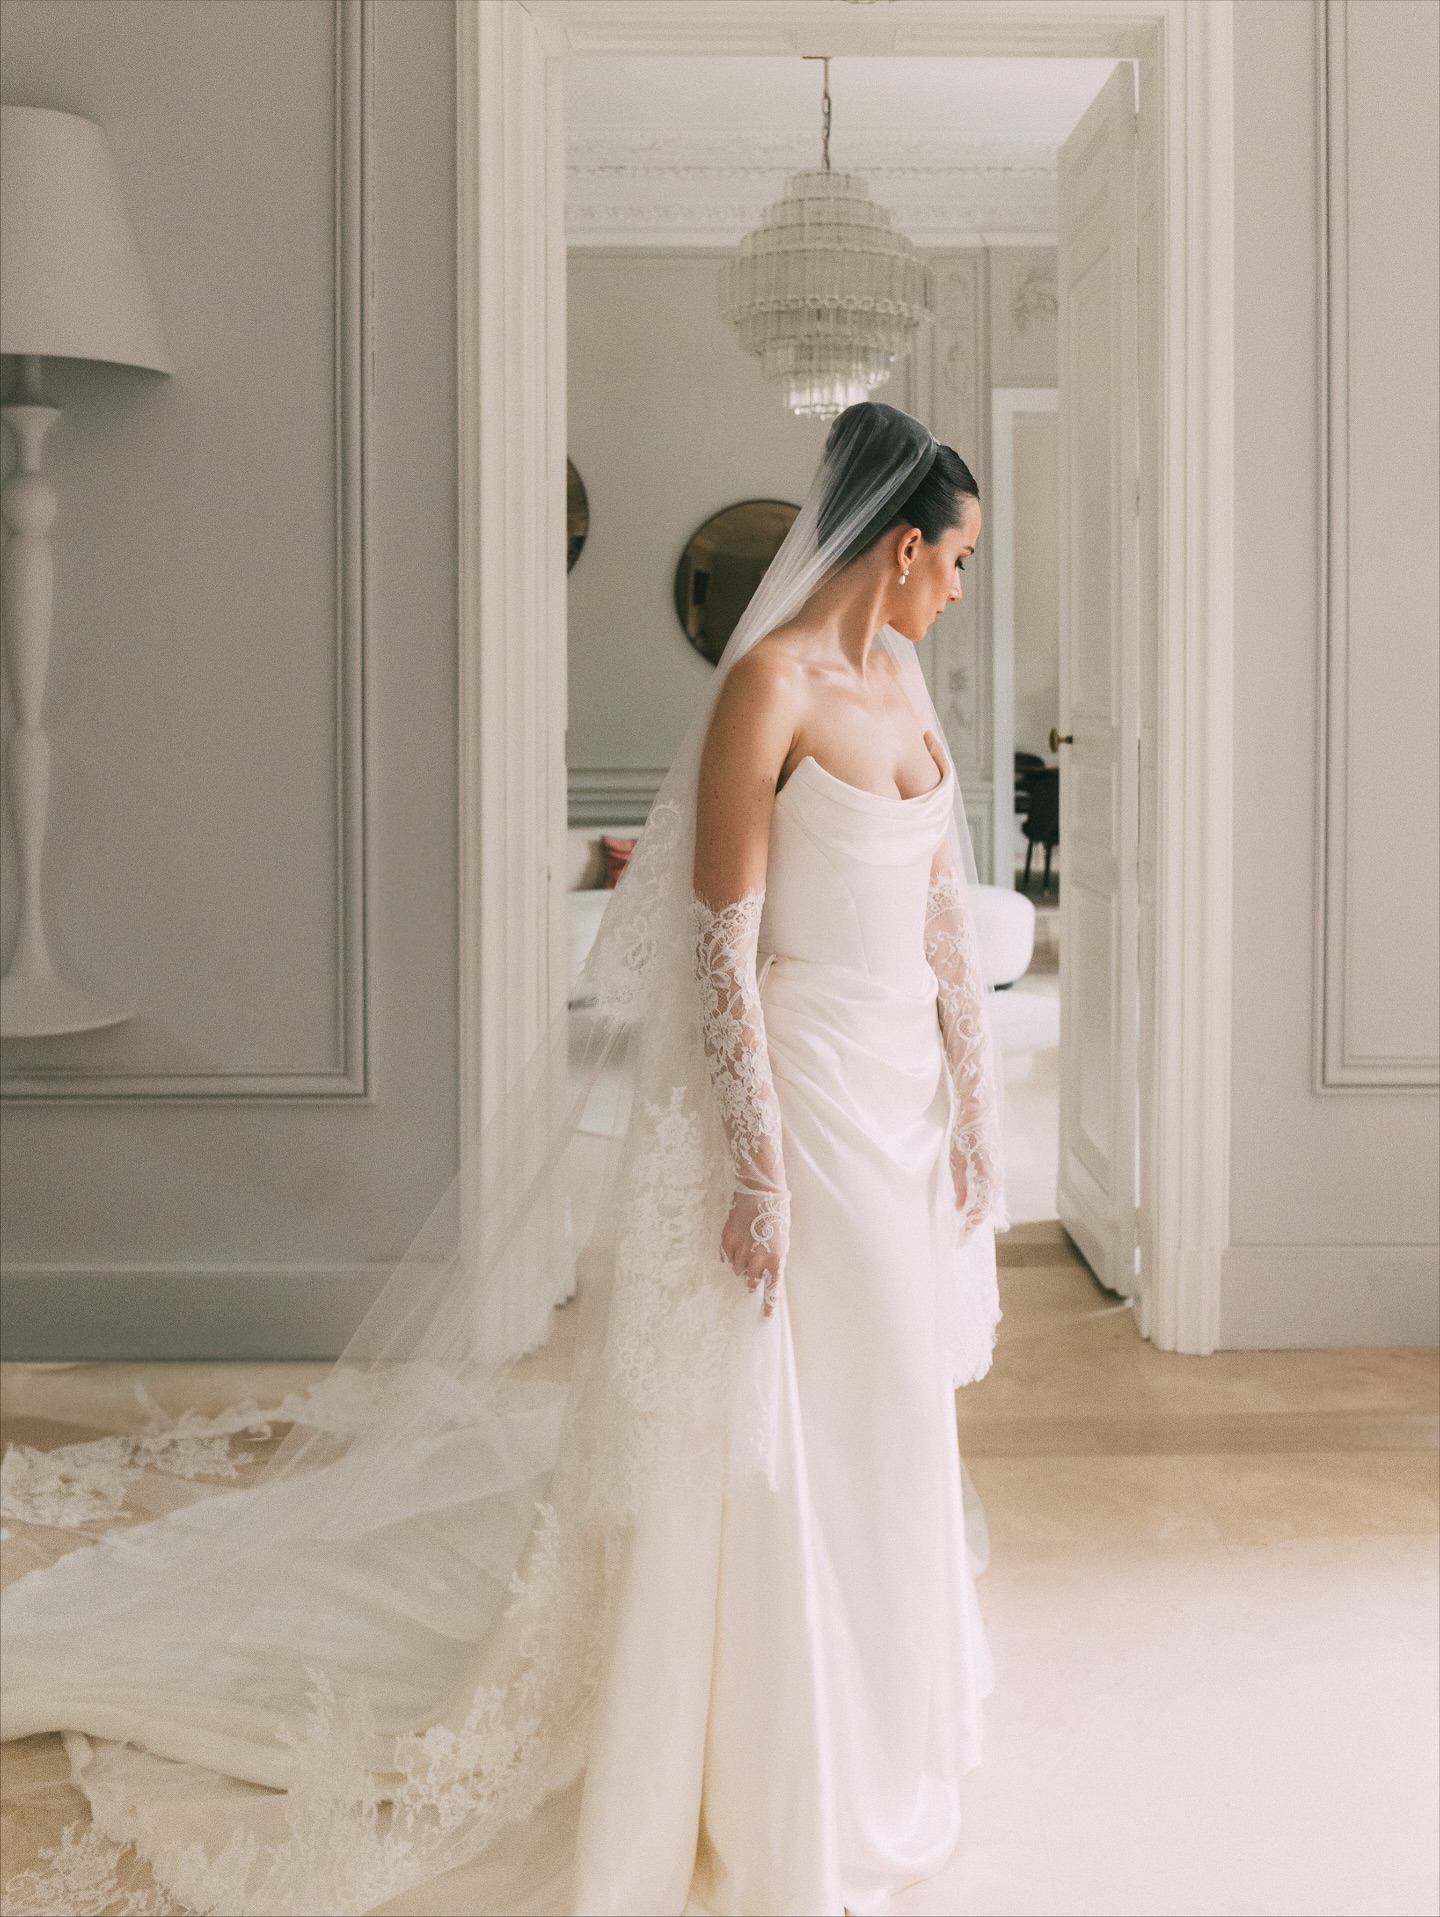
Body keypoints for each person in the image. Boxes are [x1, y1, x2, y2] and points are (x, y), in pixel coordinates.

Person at [0, 402, 1005, 1917]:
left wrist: (977, 1096)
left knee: (887, 1393)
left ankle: (879, 1693)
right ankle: (777, 1744)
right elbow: (719, 949)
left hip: (902, 1093)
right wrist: (753, 1163)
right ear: (907, 540)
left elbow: (939, 911)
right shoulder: (767, 687)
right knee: (798, 1401)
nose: (958, 591)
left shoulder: (911, 684)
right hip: (803, 1090)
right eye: (960, 561)